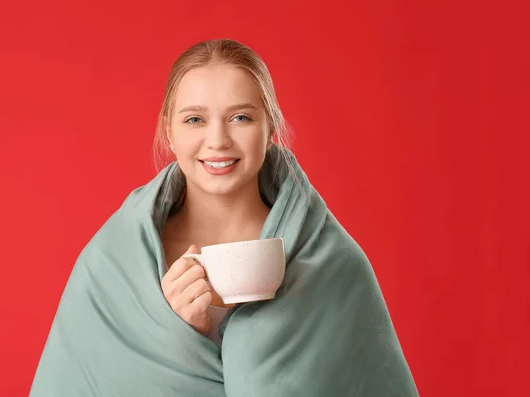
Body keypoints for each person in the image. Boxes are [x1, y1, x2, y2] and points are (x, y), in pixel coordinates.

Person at [29, 39, 419, 396]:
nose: (217, 140)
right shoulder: (112, 263)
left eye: (241, 118)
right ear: (169, 132)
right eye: (194, 119)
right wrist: (176, 337)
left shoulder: (332, 265)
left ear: (270, 129)